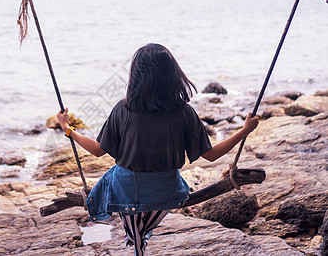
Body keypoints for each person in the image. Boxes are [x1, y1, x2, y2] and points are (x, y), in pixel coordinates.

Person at [57, 43, 259, 256]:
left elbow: (98, 150)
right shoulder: (184, 113)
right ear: (172, 74)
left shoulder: (123, 109)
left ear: (135, 75)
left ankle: (136, 239)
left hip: (128, 193)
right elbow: (211, 155)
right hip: (166, 193)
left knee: (119, 195)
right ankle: (138, 238)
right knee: (141, 232)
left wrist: (68, 129)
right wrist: (244, 130)